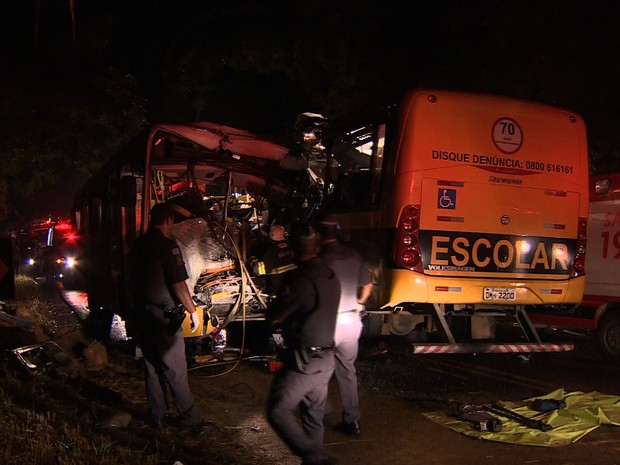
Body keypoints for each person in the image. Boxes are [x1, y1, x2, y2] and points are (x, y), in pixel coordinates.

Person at [128, 202, 214, 433]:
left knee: (152, 367)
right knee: (175, 369)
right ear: (169, 221)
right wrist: (192, 311)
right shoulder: (167, 246)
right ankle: (190, 420)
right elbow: (178, 283)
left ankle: (157, 417)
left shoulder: (137, 245)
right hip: (163, 318)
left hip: (142, 313)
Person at [267, 223, 341, 465]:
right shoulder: (331, 275)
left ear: (293, 250)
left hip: (305, 361)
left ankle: (315, 456)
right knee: (313, 416)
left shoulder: (299, 278)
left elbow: (276, 315)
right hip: (327, 358)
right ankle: (314, 458)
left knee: (278, 411)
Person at [317, 214, 372, 436]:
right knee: (347, 372)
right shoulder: (354, 255)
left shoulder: (319, 259)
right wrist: (359, 303)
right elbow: (367, 286)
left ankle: (321, 413)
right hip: (351, 320)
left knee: (320, 370)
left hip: (328, 322)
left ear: (319, 235)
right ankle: (352, 421)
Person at [252, 224, 297, 299]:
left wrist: (252, 260)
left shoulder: (271, 253)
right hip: (295, 289)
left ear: (271, 235)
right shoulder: (293, 248)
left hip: (279, 294)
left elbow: (258, 270)